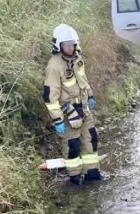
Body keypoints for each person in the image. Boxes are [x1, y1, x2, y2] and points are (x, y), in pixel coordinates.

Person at [43, 24, 102, 186]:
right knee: (72, 145)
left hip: (83, 108)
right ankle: (75, 177)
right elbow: (50, 96)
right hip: (68, 112)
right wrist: (58, 120)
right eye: (66, 45)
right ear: (58, 45)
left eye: (72, 44)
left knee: (91, 140)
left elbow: (83, 80)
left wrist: (90, 95)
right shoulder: (54, 66)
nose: (70, 48)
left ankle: (92, 173)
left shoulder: (78, 59)